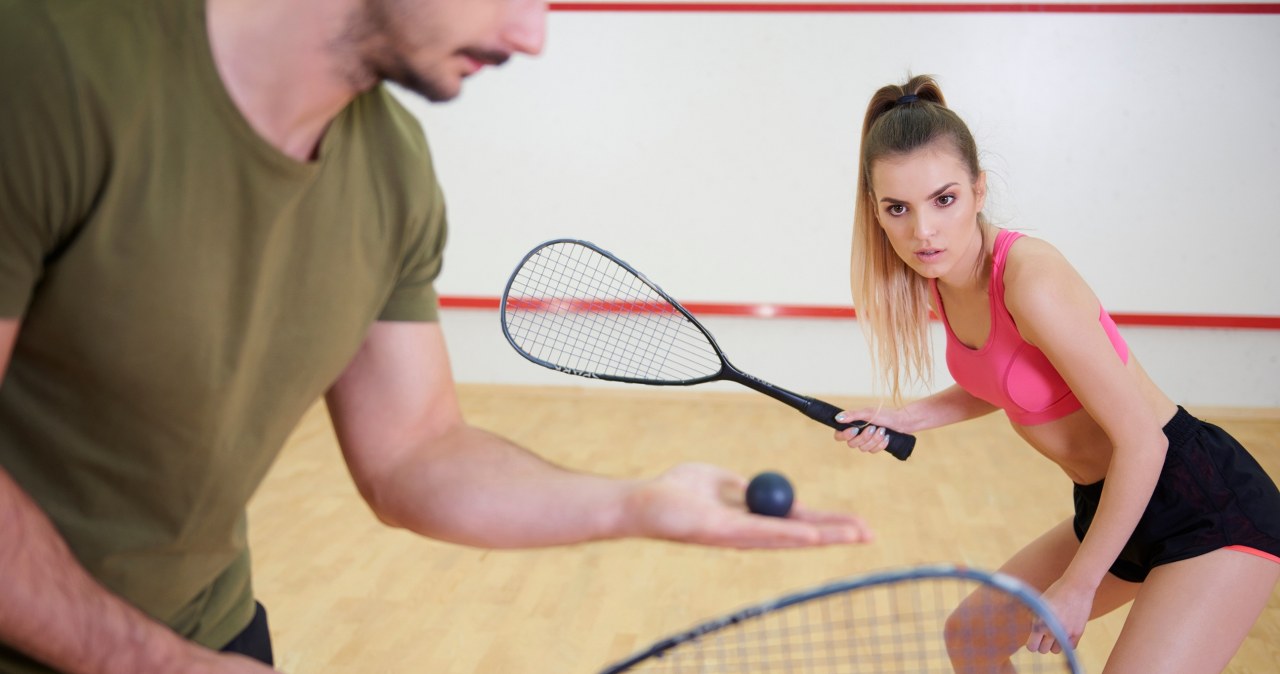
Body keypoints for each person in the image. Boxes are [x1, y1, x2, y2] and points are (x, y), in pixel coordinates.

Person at [0, 1, 874, 672]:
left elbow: (414, 453)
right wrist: (144, 662)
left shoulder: (394, 167)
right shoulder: (44, 64)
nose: (532, 33)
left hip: (212, 631)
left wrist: (636, 502)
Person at [834, 74, 1280, 673]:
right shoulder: (939, 282)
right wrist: (900, 417)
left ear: (978, 189)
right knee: (973, 636)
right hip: (1111, 503)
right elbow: (1001, 381)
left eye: (944, 200)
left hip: (1202, 503)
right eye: (898, 209)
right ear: (878, 212)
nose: (923, 231)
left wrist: (1079, 584)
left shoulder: (1029, 280)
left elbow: (1144, 444)